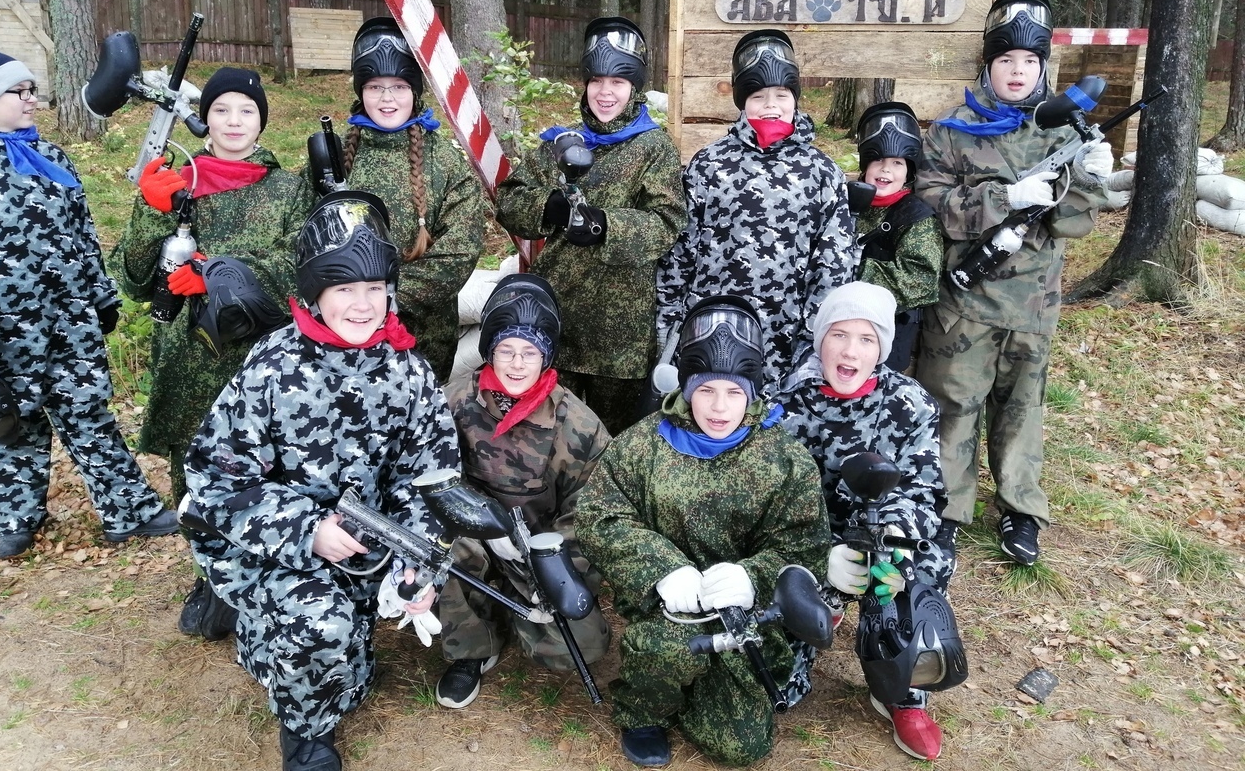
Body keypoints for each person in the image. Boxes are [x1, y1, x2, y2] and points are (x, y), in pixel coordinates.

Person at [184, 190, 460, 771]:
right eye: (344, 290)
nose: (362, 306)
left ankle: (286, 636)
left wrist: (419, 561)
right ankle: (307, 731)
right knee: (324, 628)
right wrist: (307, 530)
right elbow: (213, 477)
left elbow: (432, 476)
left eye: (374, 290)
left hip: (368, 545)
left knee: (357, 660)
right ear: (315, 292)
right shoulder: (271, 365)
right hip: (277, 548)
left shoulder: (408, 368)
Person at [578, 295, 829, 767]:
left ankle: (699, 687)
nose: (718, 407)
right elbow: (599, 516)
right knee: (665, 651)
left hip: (743, 616)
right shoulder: (644, 443)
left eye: (734, 392)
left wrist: (751, 578)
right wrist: (662, 569)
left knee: (740, 748)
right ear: (686, 386)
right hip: (666, 610)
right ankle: (644, 712)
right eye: (706, 389)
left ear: (752, 393)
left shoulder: (785, 458)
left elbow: (806, 547)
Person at [914, 0, 1110, 566]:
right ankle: (946, 510)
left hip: (1033, 306)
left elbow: (1075, 225)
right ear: (988, 66)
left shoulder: (1064, 132)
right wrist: (1004, 198)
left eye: (1029, 61)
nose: (1018, 72)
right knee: (953, 406)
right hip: (964, 302)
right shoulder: (953, 131)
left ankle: (1022, 511)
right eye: (1006, 61)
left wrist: (1093, 178)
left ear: (1043, 66)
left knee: (1022, 409)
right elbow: (930, 204)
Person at [113, 67, 310, 635]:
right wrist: (150, 210)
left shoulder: (289, 188)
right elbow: (132, 277)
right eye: (222, 109)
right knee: (194, 470)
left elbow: (300, 271)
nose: (233, 121)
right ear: (205, 119)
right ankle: (213, 574)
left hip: (262, 359)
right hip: (188, 359)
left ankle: (271, 569)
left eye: (246, 111)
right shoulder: (178, 185)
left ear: (261, 121)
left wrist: (218, 275)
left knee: (270, 465)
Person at [0, 44, 178, 559]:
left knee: (89, 414)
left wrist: (102, 298)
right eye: (19, 92)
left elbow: (82, 237)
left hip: (70, 321)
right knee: (12, 425)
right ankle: (15, 520)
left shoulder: (52, 158)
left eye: (32, 90)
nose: (31, 100)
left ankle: (128, 512)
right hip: (5, 331)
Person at [776, 281, 951, 761]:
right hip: (811, 539)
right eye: (839, 335)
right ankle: (812, 629)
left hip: (886, 536)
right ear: (820, 340)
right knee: (775, 689)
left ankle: (901, 686)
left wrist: (886, 538)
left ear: (882, 349)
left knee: (919, 576)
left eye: (866, 339)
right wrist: (826, 563)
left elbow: (925, 490)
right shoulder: (786, 402)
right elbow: (770, 496)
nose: (850, 351)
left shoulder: (910, 403)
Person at [496, 17, 686, 434]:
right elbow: (508, 201)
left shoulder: (653, 148)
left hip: (619, 334)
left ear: (633, 87)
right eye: (597, 80)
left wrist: (606, 226)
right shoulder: (563, 143)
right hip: (558, 317)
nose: (605, 92)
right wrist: (550, 208)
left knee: (612, 438)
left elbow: (668, 222)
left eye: (617, 82)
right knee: (545, 431)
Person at [434, 273, 611, 708]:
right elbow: (430, 476)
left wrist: (545, 558)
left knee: (578, 649)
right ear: (489, 351)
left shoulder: (579, 424)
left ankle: (515, 603)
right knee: (451, 549)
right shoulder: (451, 401)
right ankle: (471, 649)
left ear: (546, 357)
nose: (516, 364)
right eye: (505, 351)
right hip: (469, 535)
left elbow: (594, 512)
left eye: (529, 352)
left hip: (537, 548)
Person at [656, 29, 857, 393]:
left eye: (782, 95)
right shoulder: (708, 166)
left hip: (787, 336)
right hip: (709, 330)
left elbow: (833, 266)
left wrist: (816, 338)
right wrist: (669, 327)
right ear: (741, 101)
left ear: (795, 98)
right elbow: (679, 253)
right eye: (758, 96)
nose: (771, 106)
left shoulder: (822, 172)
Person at [306, 16, 487, 381]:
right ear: (361, 92)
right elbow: (301, 233)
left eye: (398, 87)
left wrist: (388, 298)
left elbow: (462, 247)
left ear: (414, 91)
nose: (387, 98)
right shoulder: (334, 158)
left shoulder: (445, 161)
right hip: (342, 332)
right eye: (375, 87)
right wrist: (350, 302)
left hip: (422, 342)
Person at [852, 102, 944, 372]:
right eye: (878, 161)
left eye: (896, 163)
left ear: (908, 172)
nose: (885, 170)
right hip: (842, 326)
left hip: (890, 330)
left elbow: (922, 279)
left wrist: (856, 268)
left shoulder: (916, 217)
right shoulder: (847, 206)